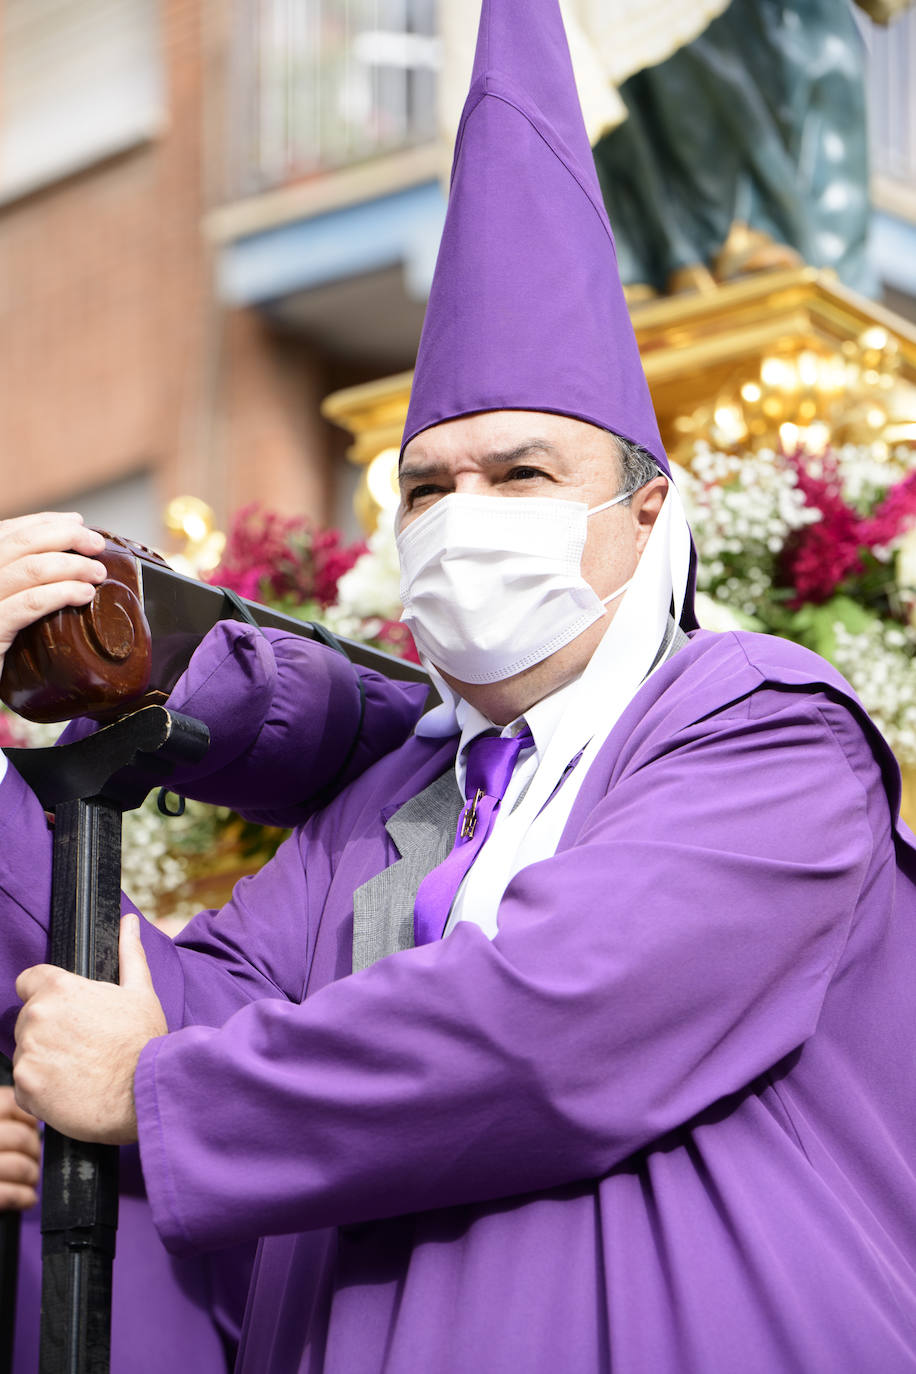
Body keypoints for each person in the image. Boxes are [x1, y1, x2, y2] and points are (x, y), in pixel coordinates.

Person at [3, 1, 916, 1371]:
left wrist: (157, 1090)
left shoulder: (760, 722)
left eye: (524, 473)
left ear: (651, 514)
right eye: (428, 485)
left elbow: (563, 1020)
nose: (464, 511)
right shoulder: (385, 805)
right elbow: (142, 994)